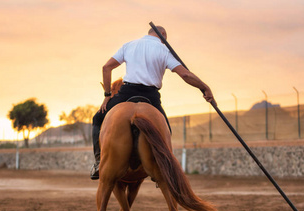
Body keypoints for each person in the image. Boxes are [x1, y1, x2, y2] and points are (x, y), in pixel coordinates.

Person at [90, 25, 216, 180]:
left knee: (97, 119)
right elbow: (185, 75)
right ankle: (164, 167)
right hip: (151, 96)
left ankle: (98, 162)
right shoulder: (164, 51)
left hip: (126, 93)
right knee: (166, 131)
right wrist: (205, 88)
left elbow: (106, 67)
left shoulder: (129, 45)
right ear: (162, 35)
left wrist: (107, 95)